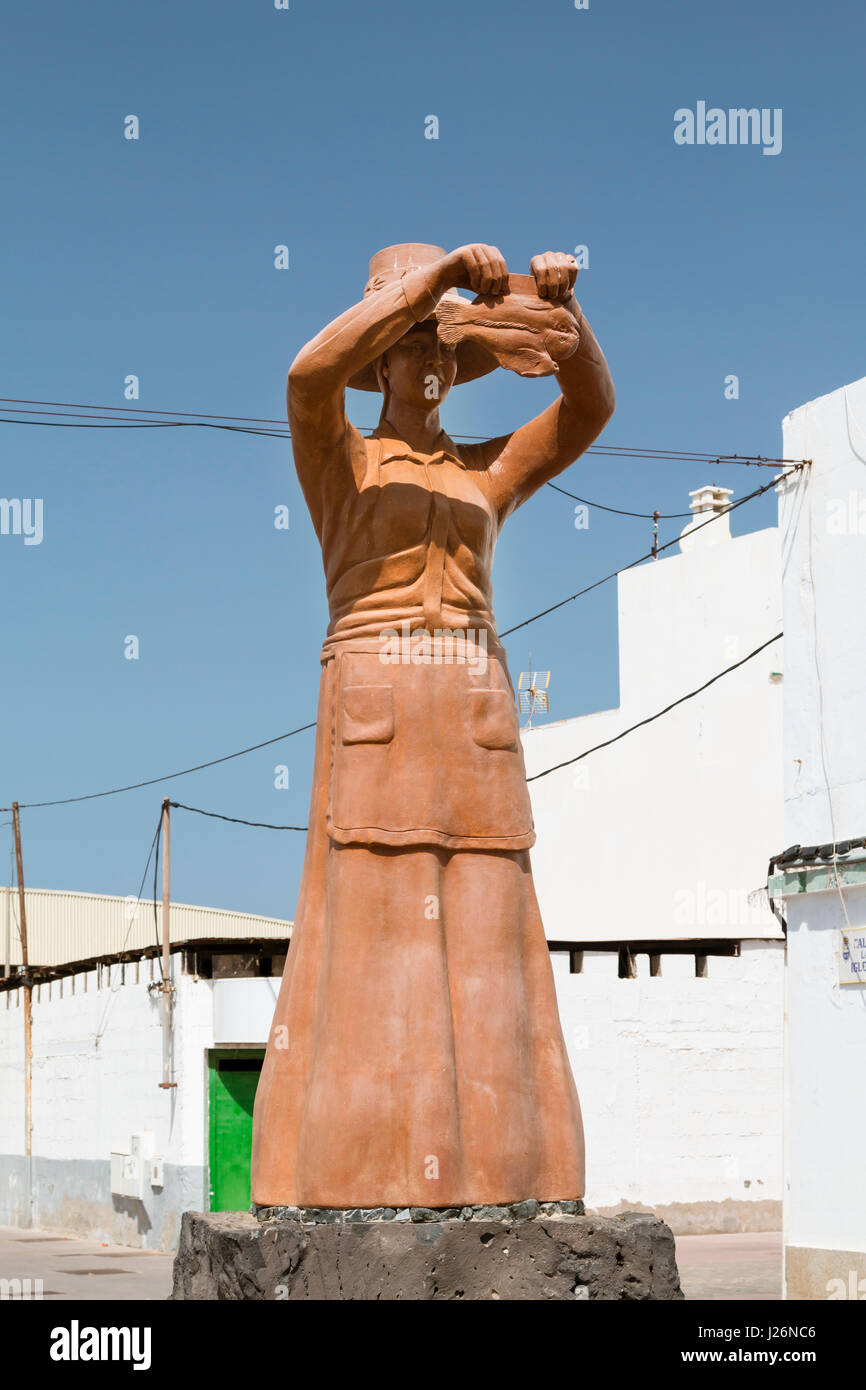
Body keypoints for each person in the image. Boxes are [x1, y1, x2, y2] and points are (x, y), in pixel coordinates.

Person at [251, 242, 616, 1210]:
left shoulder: (483, 473)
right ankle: (354, 1166)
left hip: (470, 690)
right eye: (411, 345)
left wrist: (569, 321)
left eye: (444, 351)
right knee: (375, 916)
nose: (428, 364)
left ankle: (512, 1174)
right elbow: (305, 373)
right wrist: (435, 282)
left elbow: (587, 411)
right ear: (379, 358)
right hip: (376, 684)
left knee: (490, 922)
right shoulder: (341, 457)